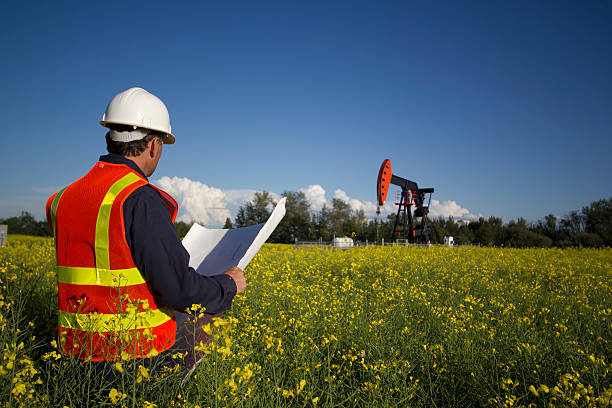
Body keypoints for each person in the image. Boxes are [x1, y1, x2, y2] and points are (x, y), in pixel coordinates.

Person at [45, 87, 246, 371]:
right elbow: (176, 290)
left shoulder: (62, 198)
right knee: (206, 324)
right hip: (134, 360)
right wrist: (227, 286)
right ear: (154, 145)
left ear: (109, 137)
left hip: (73, 353)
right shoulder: (139, 198)